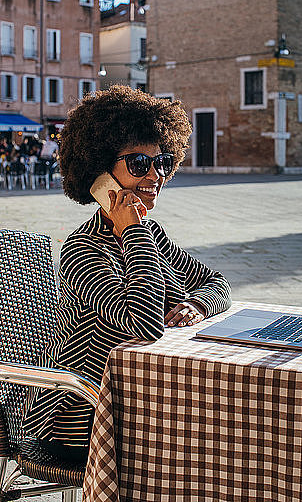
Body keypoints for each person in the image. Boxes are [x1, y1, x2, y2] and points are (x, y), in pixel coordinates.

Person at [23, 85, 232, 463]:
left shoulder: (151, 235)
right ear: (100, 171)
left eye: (163, 162)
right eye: (139, 163)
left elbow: (217, 282)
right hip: (80, 416)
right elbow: (144, 322)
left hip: (139, 399)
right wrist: (132, 230)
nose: (156, 175)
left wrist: (198, 304)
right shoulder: (81, 251)